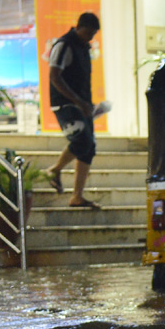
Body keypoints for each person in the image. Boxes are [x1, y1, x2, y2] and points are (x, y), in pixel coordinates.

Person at [44, 12, 101, 209]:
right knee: (81, 140)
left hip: (82, 104)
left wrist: (88, 103)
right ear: (79, 27)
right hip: (65, 104)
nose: (90, 37)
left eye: (93, 34)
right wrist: (77, 100)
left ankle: (77, 196)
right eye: (88, 33)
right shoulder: (64, 45)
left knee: (89, 148)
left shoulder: (84, 48)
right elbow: (54, 76)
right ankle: (54, 169)